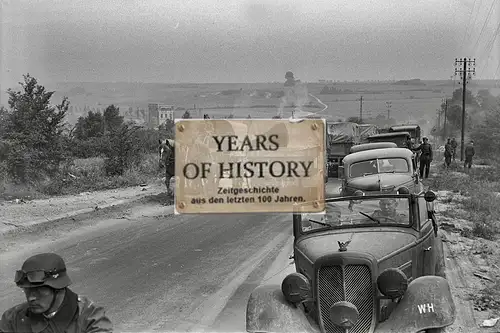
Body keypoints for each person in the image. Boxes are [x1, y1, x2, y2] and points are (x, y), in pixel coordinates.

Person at [0, 253, 113, 333]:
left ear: (58, 289)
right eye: (27, 290)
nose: (31, 298)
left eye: (39, 290)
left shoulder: (90, 317)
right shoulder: (13, 318)